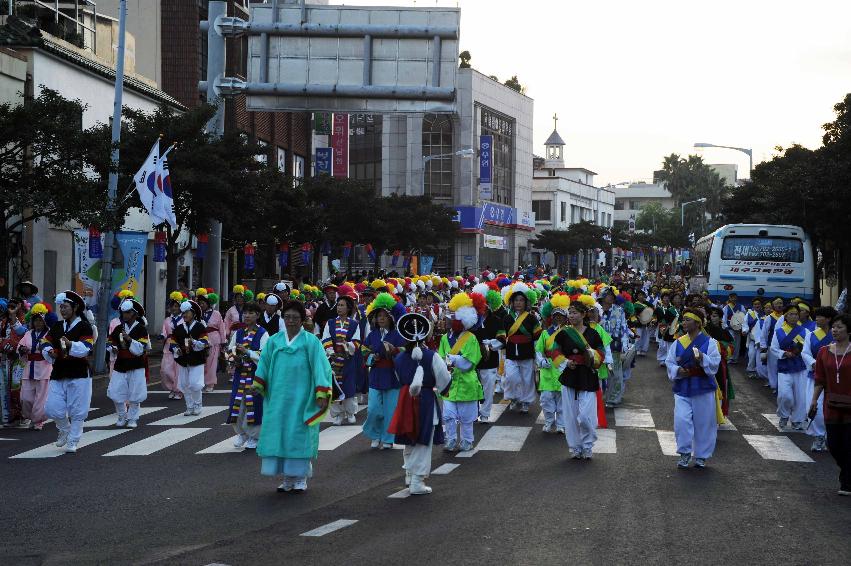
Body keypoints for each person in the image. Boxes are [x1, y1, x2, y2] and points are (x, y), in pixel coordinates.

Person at [252, 300, 332, 493]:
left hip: (302, 398)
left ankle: (300, 477)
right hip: (278, 397)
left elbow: (321, 368)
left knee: (298, 434)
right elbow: (263, 364)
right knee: (280, 435)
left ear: (302, 320)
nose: (291, 321)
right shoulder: (274, 341)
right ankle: (288, 478)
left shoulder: (311, 342)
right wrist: (258, 384)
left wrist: (321, 393)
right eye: (287, 317)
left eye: (295, 317)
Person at [388, 312, 452, 495]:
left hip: (405, 399)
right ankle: (417, 481)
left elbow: (398, 378)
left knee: (410, 439)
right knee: (423, 441)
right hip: (425, 401)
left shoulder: (399, 358)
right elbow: (444, 382)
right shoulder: (432, 356)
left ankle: (410, 475)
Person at [665, 308, 722, 469]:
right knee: (682, 420)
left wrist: (702, 358)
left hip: (702, 386)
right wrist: (677, 371)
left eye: (687, 320)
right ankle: (684, 452)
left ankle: (702, 455)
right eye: (683, 320)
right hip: (683, 385)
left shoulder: (710, 342)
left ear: (697, 323)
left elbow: (715, 363)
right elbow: (670, 362)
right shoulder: (678, 342)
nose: (684, 323)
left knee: (703, 422)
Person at [41, 291, 95, 453]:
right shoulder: (57, 326)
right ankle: (64, 428)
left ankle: (73, 440)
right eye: (61, 307)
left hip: (79, 372)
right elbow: (45, 342)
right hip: (59, 371)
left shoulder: (85, 326)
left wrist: (71, 344)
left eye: (65, 307)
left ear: (75, 307)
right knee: (51, 407)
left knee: (77, 409)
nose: (62, 310)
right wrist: (49, 350)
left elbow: (86, 348)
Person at [557, 296, 605, 460]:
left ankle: (588, 444)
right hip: (570, 375)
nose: (571, 315)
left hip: (587, 375)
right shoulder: (563, 333)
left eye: (575, 312)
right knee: (570, 416)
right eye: (569, 312)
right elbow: (554, 351)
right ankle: (575, 447)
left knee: (585, 416)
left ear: (584, 314)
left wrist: (594, 359)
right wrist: (565, 361)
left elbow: (601, 352)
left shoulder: (593, 333)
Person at [810, 313, 851, 496]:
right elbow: (819, 379)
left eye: (840, 327)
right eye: (834, 327)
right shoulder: (824, 352)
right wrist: (813, 400)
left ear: (849, 330)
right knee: (833, 444)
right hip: (831, 404)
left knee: (849, 444)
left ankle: (847, 482)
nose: (835, 330)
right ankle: (848, 472)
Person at [438, 292, 484, 452]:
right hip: (449, 383)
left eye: (451, 317)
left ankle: (467, 440)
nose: (447, 320)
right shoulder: (444, 338)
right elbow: (440, 358)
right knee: (449, 415)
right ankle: (450, 439)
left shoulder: (471, 338)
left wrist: (452, 360)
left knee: (466, 417)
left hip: (467, 383)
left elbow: (470, 362)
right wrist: (445, 364)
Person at [361, 293, 406, 449]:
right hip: (376, 374)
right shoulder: (372, 334)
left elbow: (405, 351)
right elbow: (364, 350)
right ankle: (375, 434)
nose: (380, 318)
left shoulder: (398, 334)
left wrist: (394, 350)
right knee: (373, 409)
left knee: (390, 409)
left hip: (393, 375)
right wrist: (371, 357)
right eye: (378, 315)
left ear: (391, 318)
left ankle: (388, 438)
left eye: (384, 316)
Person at [225, 301, 267, 450]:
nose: (247, 316)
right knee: (237, 404)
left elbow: (264, 354)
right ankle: (241, 433)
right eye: (245, 313)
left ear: (257, 315)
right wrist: (233, 359)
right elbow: (230, 350)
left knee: (253, 404)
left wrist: (248, 352)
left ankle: (254, 436)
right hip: (239, 374)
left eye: (251, 313)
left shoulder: (263, 333)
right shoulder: (239, 333)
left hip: (254, 376)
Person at [498, 282, 541, 413]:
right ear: (511, 302)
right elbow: (501, 335)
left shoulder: (532, 318)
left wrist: (538, 353)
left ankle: (526, 402)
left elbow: (537, 336)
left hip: (527, 353)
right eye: (516, 300)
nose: (518, 303)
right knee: (511, 378)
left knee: (527, 379)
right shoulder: (506, 318)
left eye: (521, 300)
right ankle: (513, 397)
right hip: (511, 353)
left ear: (526, 302)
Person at [106, 299, 150, 428]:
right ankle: (121, 415)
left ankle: (132, 418)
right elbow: (110, 342)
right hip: (120, 364)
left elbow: (141, 348)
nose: (125, 315)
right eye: (123, 312)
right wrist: (113, 348)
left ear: (134, 314)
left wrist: (129, 339)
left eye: (128, 312)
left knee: (135, 393)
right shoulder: (119, 328)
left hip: (136, 364)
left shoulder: (141, 329)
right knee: (115, 391)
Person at [321, 285, 362, 425]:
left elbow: (357, 341)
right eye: (338, 305)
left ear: (348, 308)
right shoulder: (330, 323)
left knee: (349, 386)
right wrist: (331, 352)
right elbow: (325, 339)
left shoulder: (354, 324)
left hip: (348, 360)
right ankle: (338, 414)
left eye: (342, 305)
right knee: (334, 386)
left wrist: (348, 346)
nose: (339, 307)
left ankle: (350, 412)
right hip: (333, 360)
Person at [16, 303, 56, 430]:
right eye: (35, 320)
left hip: (44, 368)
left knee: (41, 398)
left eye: (40, 320)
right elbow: (19, 346)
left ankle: (38, 420)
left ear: (44, 321)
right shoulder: (28, 334)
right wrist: (22, 349)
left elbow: (54, 349)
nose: (38, 323)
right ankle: (30, 416)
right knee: (25, 398)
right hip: (29, 368)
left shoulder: (49, 334)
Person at [802, 306, 836, 452]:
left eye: (820, 316)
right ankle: (818, 436)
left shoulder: (837, 336)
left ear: (828, 319)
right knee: (814, 406)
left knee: (832, 407)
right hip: (815, 376)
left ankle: (830, 435)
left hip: (835, 378)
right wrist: (814, 363)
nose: (816, 319)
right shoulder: (811, 335)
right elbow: (805, 353)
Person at [771, 304, 810, 430]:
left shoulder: (805, 332)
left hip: (800, 367)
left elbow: (808, 350)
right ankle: (784, 414)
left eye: (796, 314)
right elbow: (773, 348)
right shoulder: (779, 332)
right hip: (785, 367)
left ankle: (797, 420)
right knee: (784, 395)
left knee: (800, 396)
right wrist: (783, 353)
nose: (794, 316)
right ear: (785, 316)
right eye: (791, 314)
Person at [169, 300, 210, 416]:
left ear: (193, 313)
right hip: (183, 359)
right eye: (183, 313)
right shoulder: (178, 328)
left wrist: (195, 342)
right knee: (184, 384)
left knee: (195, 383)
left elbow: (205, 341)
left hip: (196, 358)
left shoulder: (200, 326)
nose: (185, 315)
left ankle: (198, 405)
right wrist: (176, 349)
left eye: (187, 312)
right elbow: (173, 342)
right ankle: (189, 406)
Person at [535, 294, 570, 434]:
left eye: (561, 316)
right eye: (555, 315)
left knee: (562, 399)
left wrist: (567, 363)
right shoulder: (545, 333)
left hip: (563, 369)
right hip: (547, 370)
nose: (558, 318)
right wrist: (541, 361)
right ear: (552, 317)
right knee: (546, 399)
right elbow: (538, 350)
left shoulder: (569, 332)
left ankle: (561, 424)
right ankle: (549, 422)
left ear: (565, 318)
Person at [471, 283, 504, 423]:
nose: (483, 307)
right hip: (472, 359)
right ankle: (474, 412)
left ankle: (485, 413)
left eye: (486, 304)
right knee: (473, 386)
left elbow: (502, 339)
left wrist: (490, 343)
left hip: (490, 359)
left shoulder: (497, 320)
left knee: (488, 387)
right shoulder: (471, 320)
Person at [600, 288, 630, 407]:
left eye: (612, 295)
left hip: (614, 346)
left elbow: (624, 327)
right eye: (608, 295)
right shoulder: (596, 309)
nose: (611, 297)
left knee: (615, 373)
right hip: (598, 347)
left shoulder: (619, 310)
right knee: (600, 373)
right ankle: (598, 397)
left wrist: (625, 343)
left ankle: (613, 398)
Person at [704, 306, 735, 417]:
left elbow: (731, 346)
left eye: (716, 316)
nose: (713, 318)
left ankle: (719, 413)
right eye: (712, 316)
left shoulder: (724, 332)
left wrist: (722, 348)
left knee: (721, 386)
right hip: (706, 362)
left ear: (720, 318)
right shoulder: (705, 330)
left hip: (721, 364)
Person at [196, 289, 224, 393]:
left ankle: (210, 383)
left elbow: (221, 327)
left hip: (214, 340)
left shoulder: (216, 314)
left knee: (211, 363)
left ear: (208, 303)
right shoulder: (197, 314)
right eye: (200, 303)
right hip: (200, 341)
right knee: (201, 363)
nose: (201, 305)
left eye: (203, 303)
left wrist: (223, 341)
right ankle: (200, 382)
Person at [160, 292, 184, 400]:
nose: (174, 308)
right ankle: (171, 387)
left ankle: (178, 390)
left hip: (179, 346)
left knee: (178, 369)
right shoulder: (167, 320)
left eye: (176, 306)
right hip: (169, 346)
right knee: (166, 369)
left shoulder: (184, 319)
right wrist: (162, 336)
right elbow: (164, 331)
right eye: (172, 306)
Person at [760, 297, 786, 394]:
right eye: (777, 303)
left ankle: (782, 386)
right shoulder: (769, 318)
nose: (779, 305)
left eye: (781, 303)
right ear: (773, 306)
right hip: (772, 346)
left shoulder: (786, 316)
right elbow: (764, 333)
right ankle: (774, 385)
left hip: (784, 347)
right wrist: (763, 347)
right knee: (773, 367)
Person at [655, 291, 679, 367]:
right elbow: (655, 317)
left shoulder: (672, 308)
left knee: (668, 345)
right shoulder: (658, 308)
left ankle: (667, 359)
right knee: (662, 345)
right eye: (664, 298)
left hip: (671, 328)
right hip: (661, 327)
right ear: (662, 299)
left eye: (667, 298)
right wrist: (656, 322)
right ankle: (662, 359)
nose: (666, 299)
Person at [721, 293, 746, 364]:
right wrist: (725, 326)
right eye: (731, 297)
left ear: (736, 298)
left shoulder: (741, 307)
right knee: (731, 343)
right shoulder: (726, 307)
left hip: (738, 328)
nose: (733, 299)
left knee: (737, 343)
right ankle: (730, 357)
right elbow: (724, 318)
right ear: (729, 298)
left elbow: (744, 317)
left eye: (734, 297)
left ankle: (735, 358)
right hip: (729, 328)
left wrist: (742, 327)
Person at [743, 298, 763, 378]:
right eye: (755, 304)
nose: (757, 305)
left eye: (758, 304)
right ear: (753, 305)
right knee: (751, 354)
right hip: (752, 339)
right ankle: (751, 370)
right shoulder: (749, 313)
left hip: (762, 340)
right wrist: (745, 330)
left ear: (761, 305)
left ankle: (759, 372)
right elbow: (745, 323)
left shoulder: (765, 313)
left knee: (760, 357)